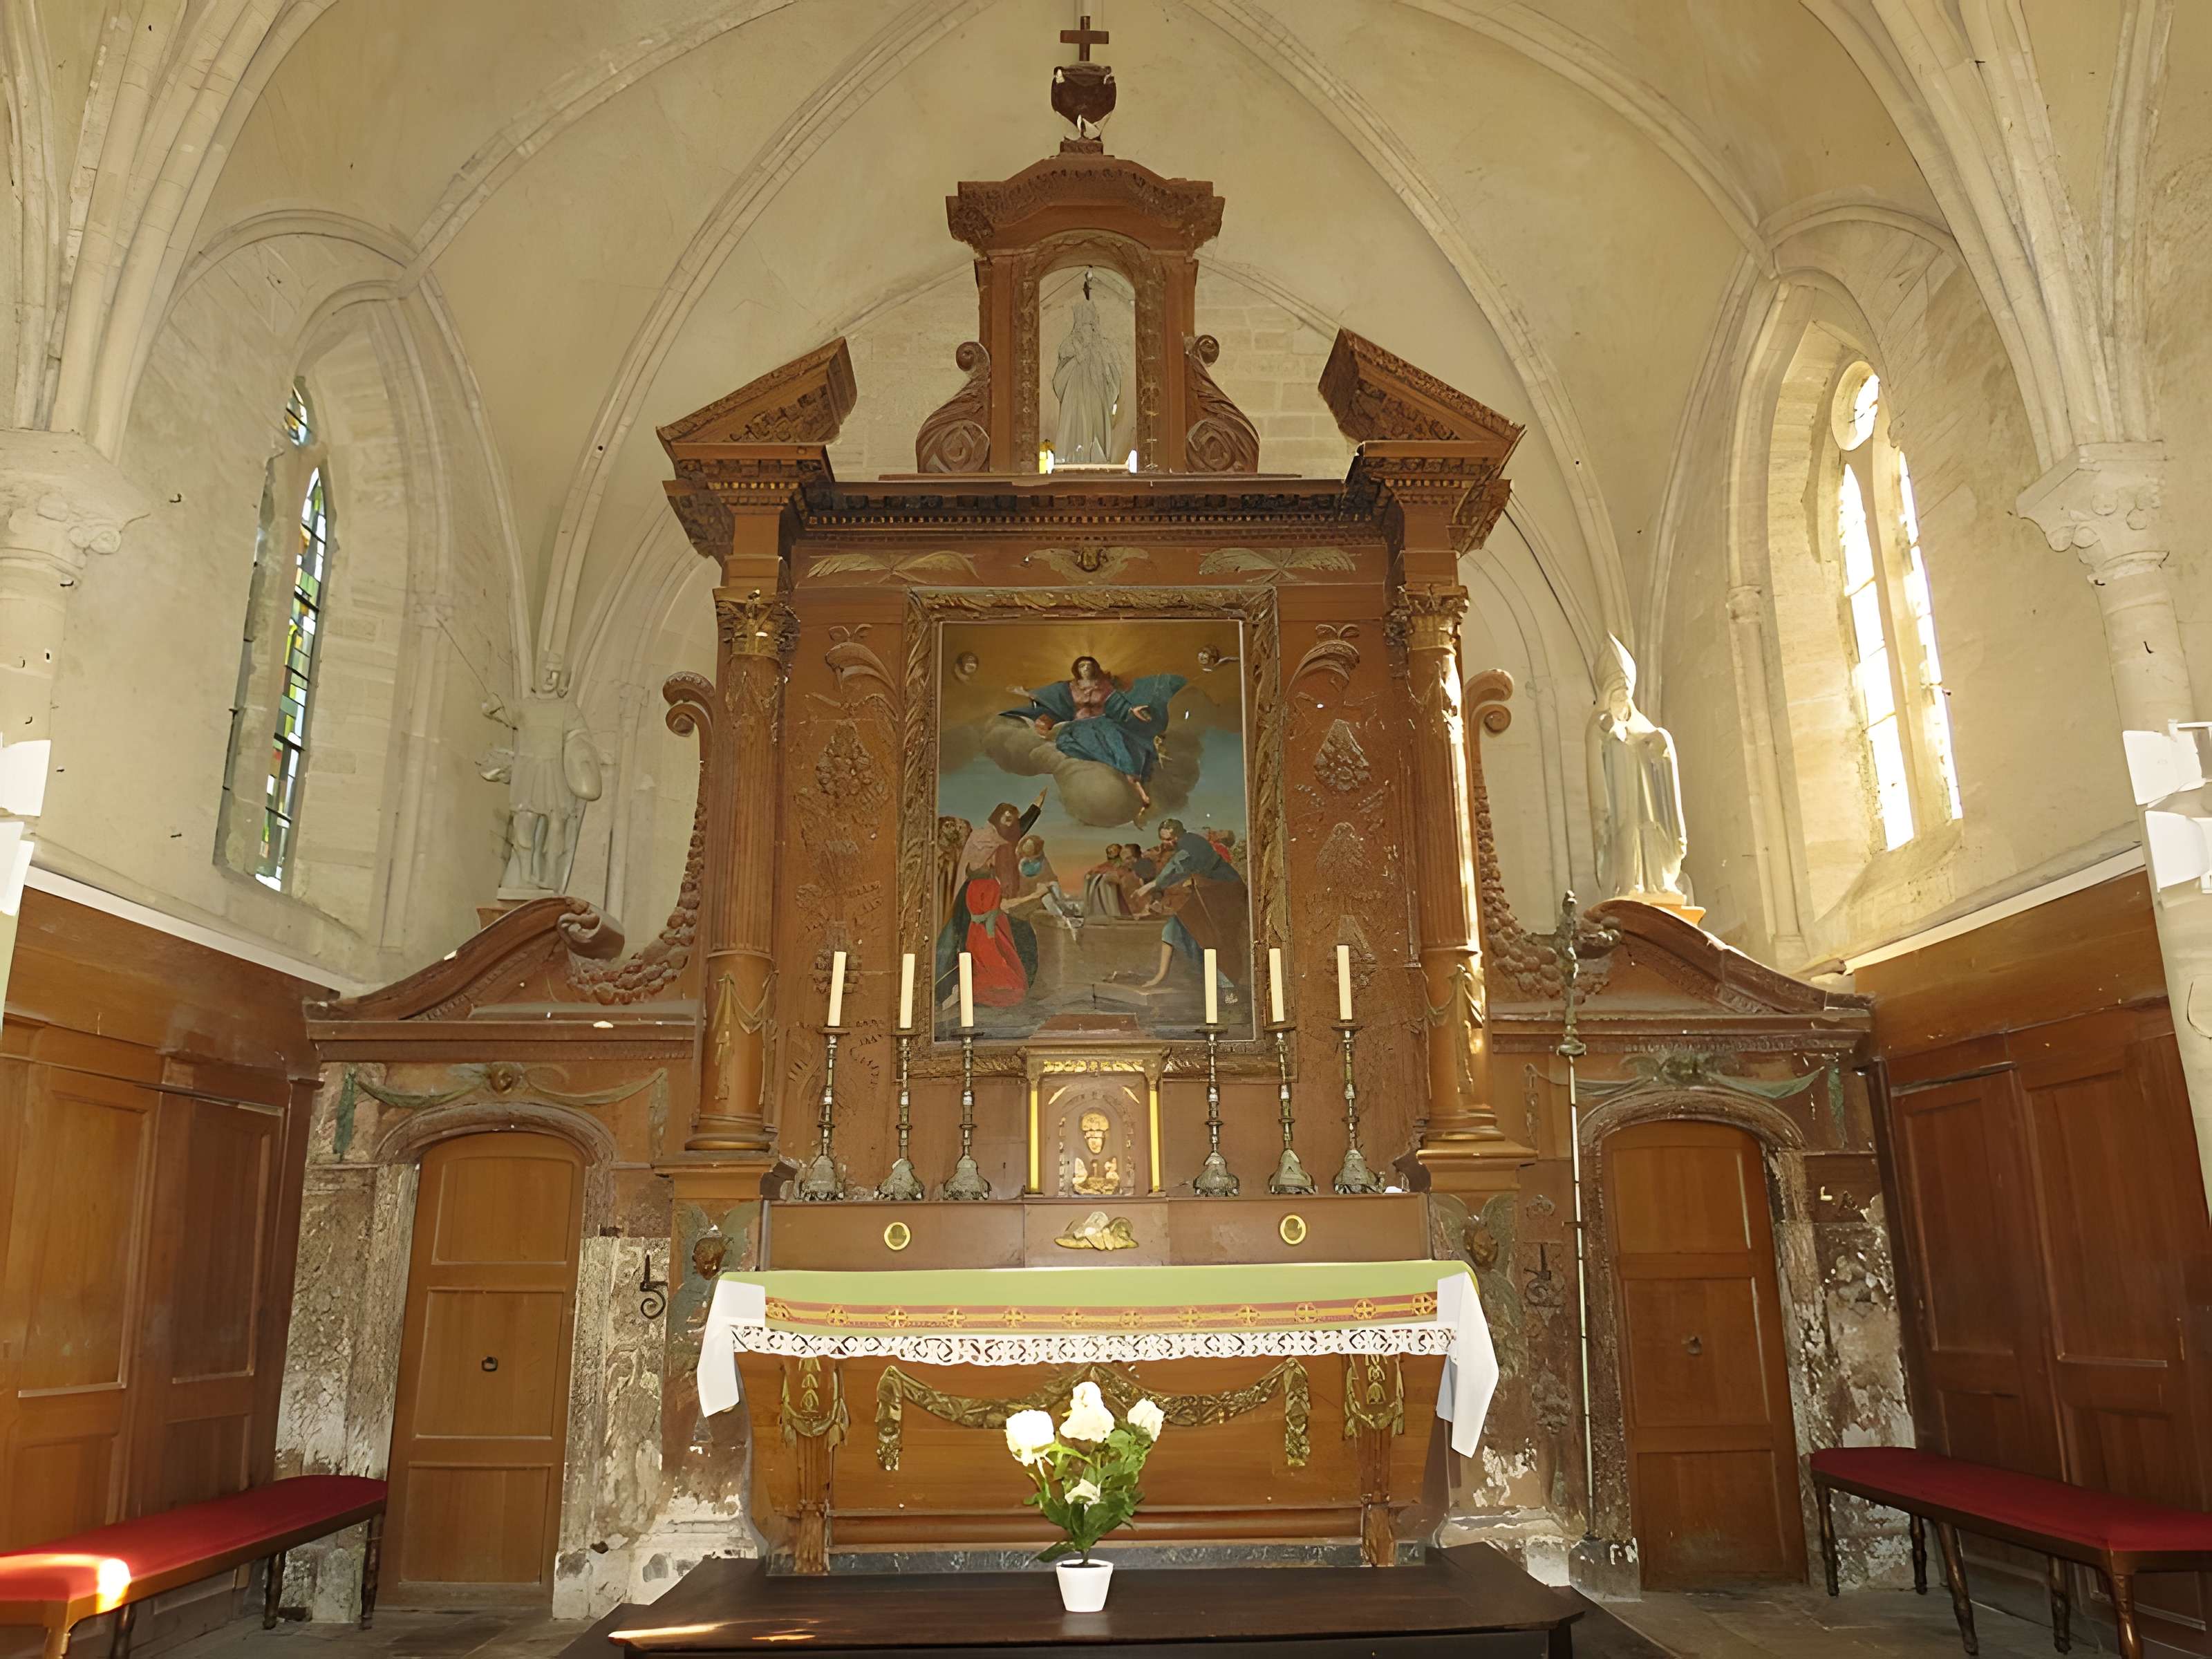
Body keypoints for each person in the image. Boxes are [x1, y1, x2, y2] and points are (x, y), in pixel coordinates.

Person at [1002, 655, 1186, 819]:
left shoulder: (1105, 686)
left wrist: (1134, 710)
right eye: (1082, 666)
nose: (1086, 668)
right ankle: (1113, 769)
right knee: (1064, 742)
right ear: (1077, 670)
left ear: (1095, 667)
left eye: (1089, 665)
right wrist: (1026, 693)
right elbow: (1047, 696)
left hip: (1102, 722)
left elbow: (1120, 703)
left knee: (1117, 743)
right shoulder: (1068, 688)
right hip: (1078, 726)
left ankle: (1133, 780)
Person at [935, 789, 1047, 1015]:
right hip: (973, 896)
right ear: (997, 816)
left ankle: (1000, 984)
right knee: (959, 942)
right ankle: (949, 989)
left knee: (1016, 937)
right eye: (1006, 816)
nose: (1010, 820)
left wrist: (1036, 806)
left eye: (1012, 817)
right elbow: (970, 869)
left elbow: (1022, 826)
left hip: (990, 896)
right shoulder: (980, 837)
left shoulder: (1002, 839)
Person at [1132, 818, 1248, 1006]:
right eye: (1162, 839)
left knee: (1217, 940)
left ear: (1177, 835)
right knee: (1175, 927)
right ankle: (1161, 976)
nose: (1165, 843)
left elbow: (1176, 868)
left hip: (1224, 895)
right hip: (1207, 894)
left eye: (1168, 839)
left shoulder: (1190, 844)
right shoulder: (1181, 848)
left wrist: (1151, 886)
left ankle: (1228, 990)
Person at [1051, 274, 1123, 465]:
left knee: (1097, 424)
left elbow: (1113, 377)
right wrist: (1077, 356)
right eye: (1083, 327)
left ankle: (1098, 456)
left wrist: (1107, 371)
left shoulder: (1104, 348)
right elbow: (1060, 376)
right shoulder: (1070, 344)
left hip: (1097, 394)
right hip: (1076, 395)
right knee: (1078, 423)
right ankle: (1073, 456)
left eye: (1090, 327)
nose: (1087, 331)